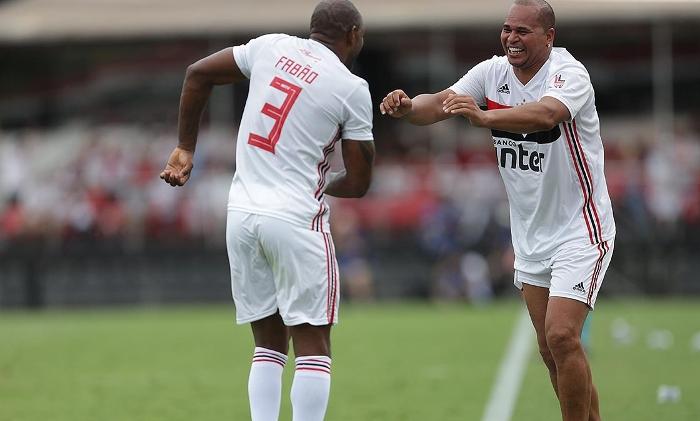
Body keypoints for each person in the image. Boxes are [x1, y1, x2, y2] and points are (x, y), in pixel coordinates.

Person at [379, 1, 614, 420]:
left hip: (581, 228)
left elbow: (547, 114)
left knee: (562, 335)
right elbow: (443, 103)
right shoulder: (492, 72)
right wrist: (409, 108)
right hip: (530, 234)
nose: (511, 38)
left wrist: (485, 118)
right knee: (550, 350)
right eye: (506, 29)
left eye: (523, 31)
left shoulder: (568, 74)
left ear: (548, 36)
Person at [160, 1, 375, 420]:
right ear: (351, 35)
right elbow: (360, 181)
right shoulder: (351, 88)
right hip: (295, 218)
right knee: (313, 346)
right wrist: (325, 183)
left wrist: (186, 147)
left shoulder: (271, 46)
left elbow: (197, 73)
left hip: (241, 214)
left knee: (268, 343)